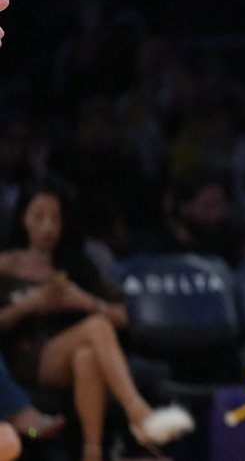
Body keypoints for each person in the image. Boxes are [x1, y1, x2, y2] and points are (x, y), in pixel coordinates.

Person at [0, 176, 193, 461]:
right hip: (25, 357)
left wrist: (85, 301)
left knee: (87, 355)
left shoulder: (76, 263)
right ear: (23, 218)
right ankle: (139, 413)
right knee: (96, 328)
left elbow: (125, 316)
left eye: (55, 218)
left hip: (69, 353)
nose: (47, 227)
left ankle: (93, 453)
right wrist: (28, 306)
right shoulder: (4, 263)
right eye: (38, 217)